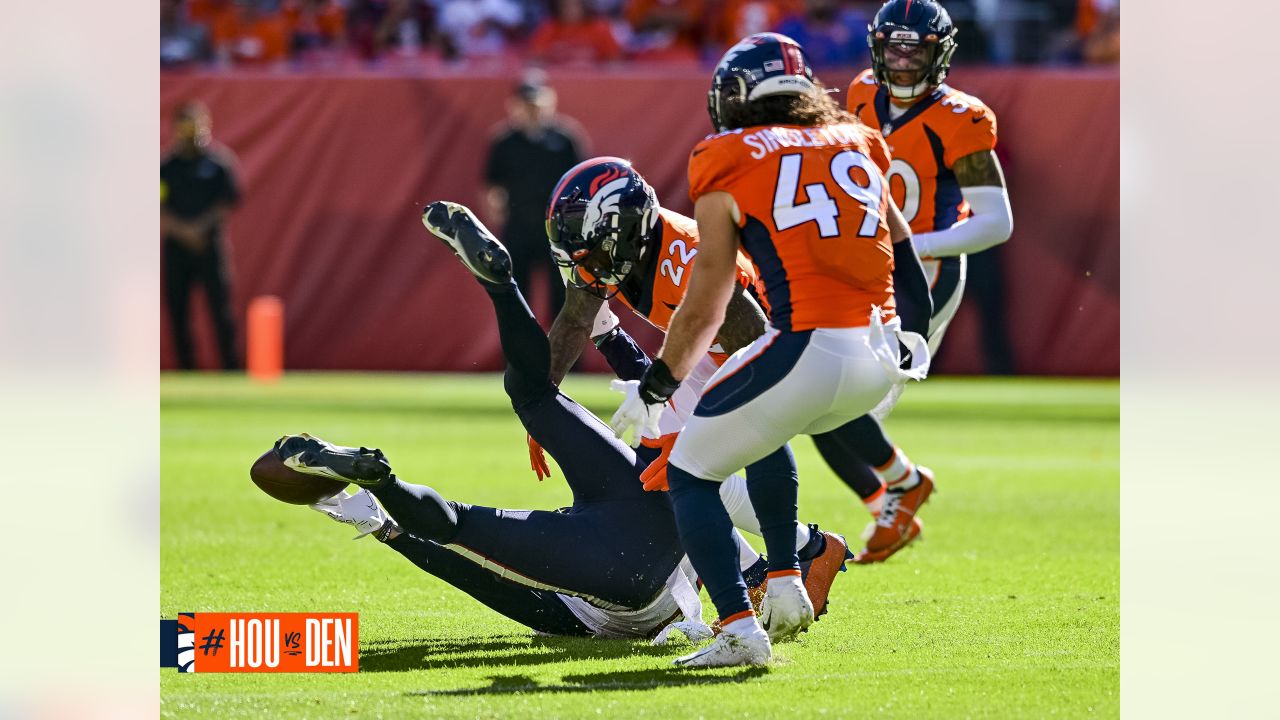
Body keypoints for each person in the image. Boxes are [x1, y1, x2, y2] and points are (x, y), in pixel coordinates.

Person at [272, 200, 849, 639]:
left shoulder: (677, 278)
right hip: (647, 537)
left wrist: (387, 523)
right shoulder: (677, 260)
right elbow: (467, 556)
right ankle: (500, 294)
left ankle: (501, 294)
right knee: (500, 464)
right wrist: (389, 522)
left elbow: (469, 564)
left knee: (539, 416)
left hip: (635, 565)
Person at [609, 32, 932, 667]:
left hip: (809, 346)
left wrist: (660, 381)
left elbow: (708, 301)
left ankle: (738, 630)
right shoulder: (858, 138)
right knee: (762, 430)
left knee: (687, 472)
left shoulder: (725, 154)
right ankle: (785, 583)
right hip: (877, 355)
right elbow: (905, 250)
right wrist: (911, 341)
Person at [541, 156, 927, 568]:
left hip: (773, 348)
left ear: (632, 228)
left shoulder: (686, 256)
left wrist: (701, 419)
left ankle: (787, 565)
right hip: (714, 351)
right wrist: (542, 398)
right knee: (660, 465)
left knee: (689, 464)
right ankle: (785, 560)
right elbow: (577, 316)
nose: (589, 269)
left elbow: (759, 350)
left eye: (597, 255)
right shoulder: (620, 253)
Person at [829, 0, 1014, 557]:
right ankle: (892, 498)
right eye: (894, 47)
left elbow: (997, 222)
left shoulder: (963, 116)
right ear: (877, 47)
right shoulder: (861, 92)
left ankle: (901, 487)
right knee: (815, 398)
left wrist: (910, 245)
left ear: (942, 52)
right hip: (861, 272)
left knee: (838, 400)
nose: (904, 61)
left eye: (917, 48)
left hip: (922, 278)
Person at [483, 73, 588, 319]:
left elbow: (581, 182)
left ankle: (565, 358)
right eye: (526, 105)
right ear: (515, 106)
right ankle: (520, 358)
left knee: (564, 302)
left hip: (558, 230)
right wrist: (497, 207)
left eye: (536, 105)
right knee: (517, 303)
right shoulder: (504, 142)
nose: (532, 111)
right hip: (519, 226)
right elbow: (492, 184)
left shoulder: (565, 138)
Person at [161, 102, 243, 371]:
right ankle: (187, 370)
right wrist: (183, 230)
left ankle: (230, 369)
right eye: (186, 125)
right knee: (178, 311)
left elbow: (228, 200)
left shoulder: (219, 163)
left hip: (210, 245)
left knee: (221, 311)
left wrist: (201, 227)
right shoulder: (166, 168)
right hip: (176, 247)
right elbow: (158, 206)